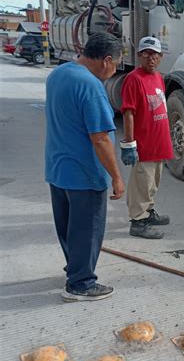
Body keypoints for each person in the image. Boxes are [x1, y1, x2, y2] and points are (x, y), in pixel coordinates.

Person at [45, 33, 125, 302]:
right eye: (116, 66)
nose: (114, 71)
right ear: (107, 60)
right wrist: (116, 177)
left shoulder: (59, 74)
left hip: (58, 170)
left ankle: (75, 268)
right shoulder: (90, 86)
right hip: (84, 174)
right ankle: (81, 283)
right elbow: (100, 138)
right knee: (88, 230)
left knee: (69, 227)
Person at [120, 36, 174, 239]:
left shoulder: (158, 77)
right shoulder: (134, 79)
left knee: (153, 182)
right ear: (139, 55)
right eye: (146, 54)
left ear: (161, 57)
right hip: (144, 144)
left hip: (159, 142)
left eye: (154, 54)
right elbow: (128, 112)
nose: (150, 58)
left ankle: (149, 212)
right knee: (141, 183)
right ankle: (138, 221)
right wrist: (129, 143)